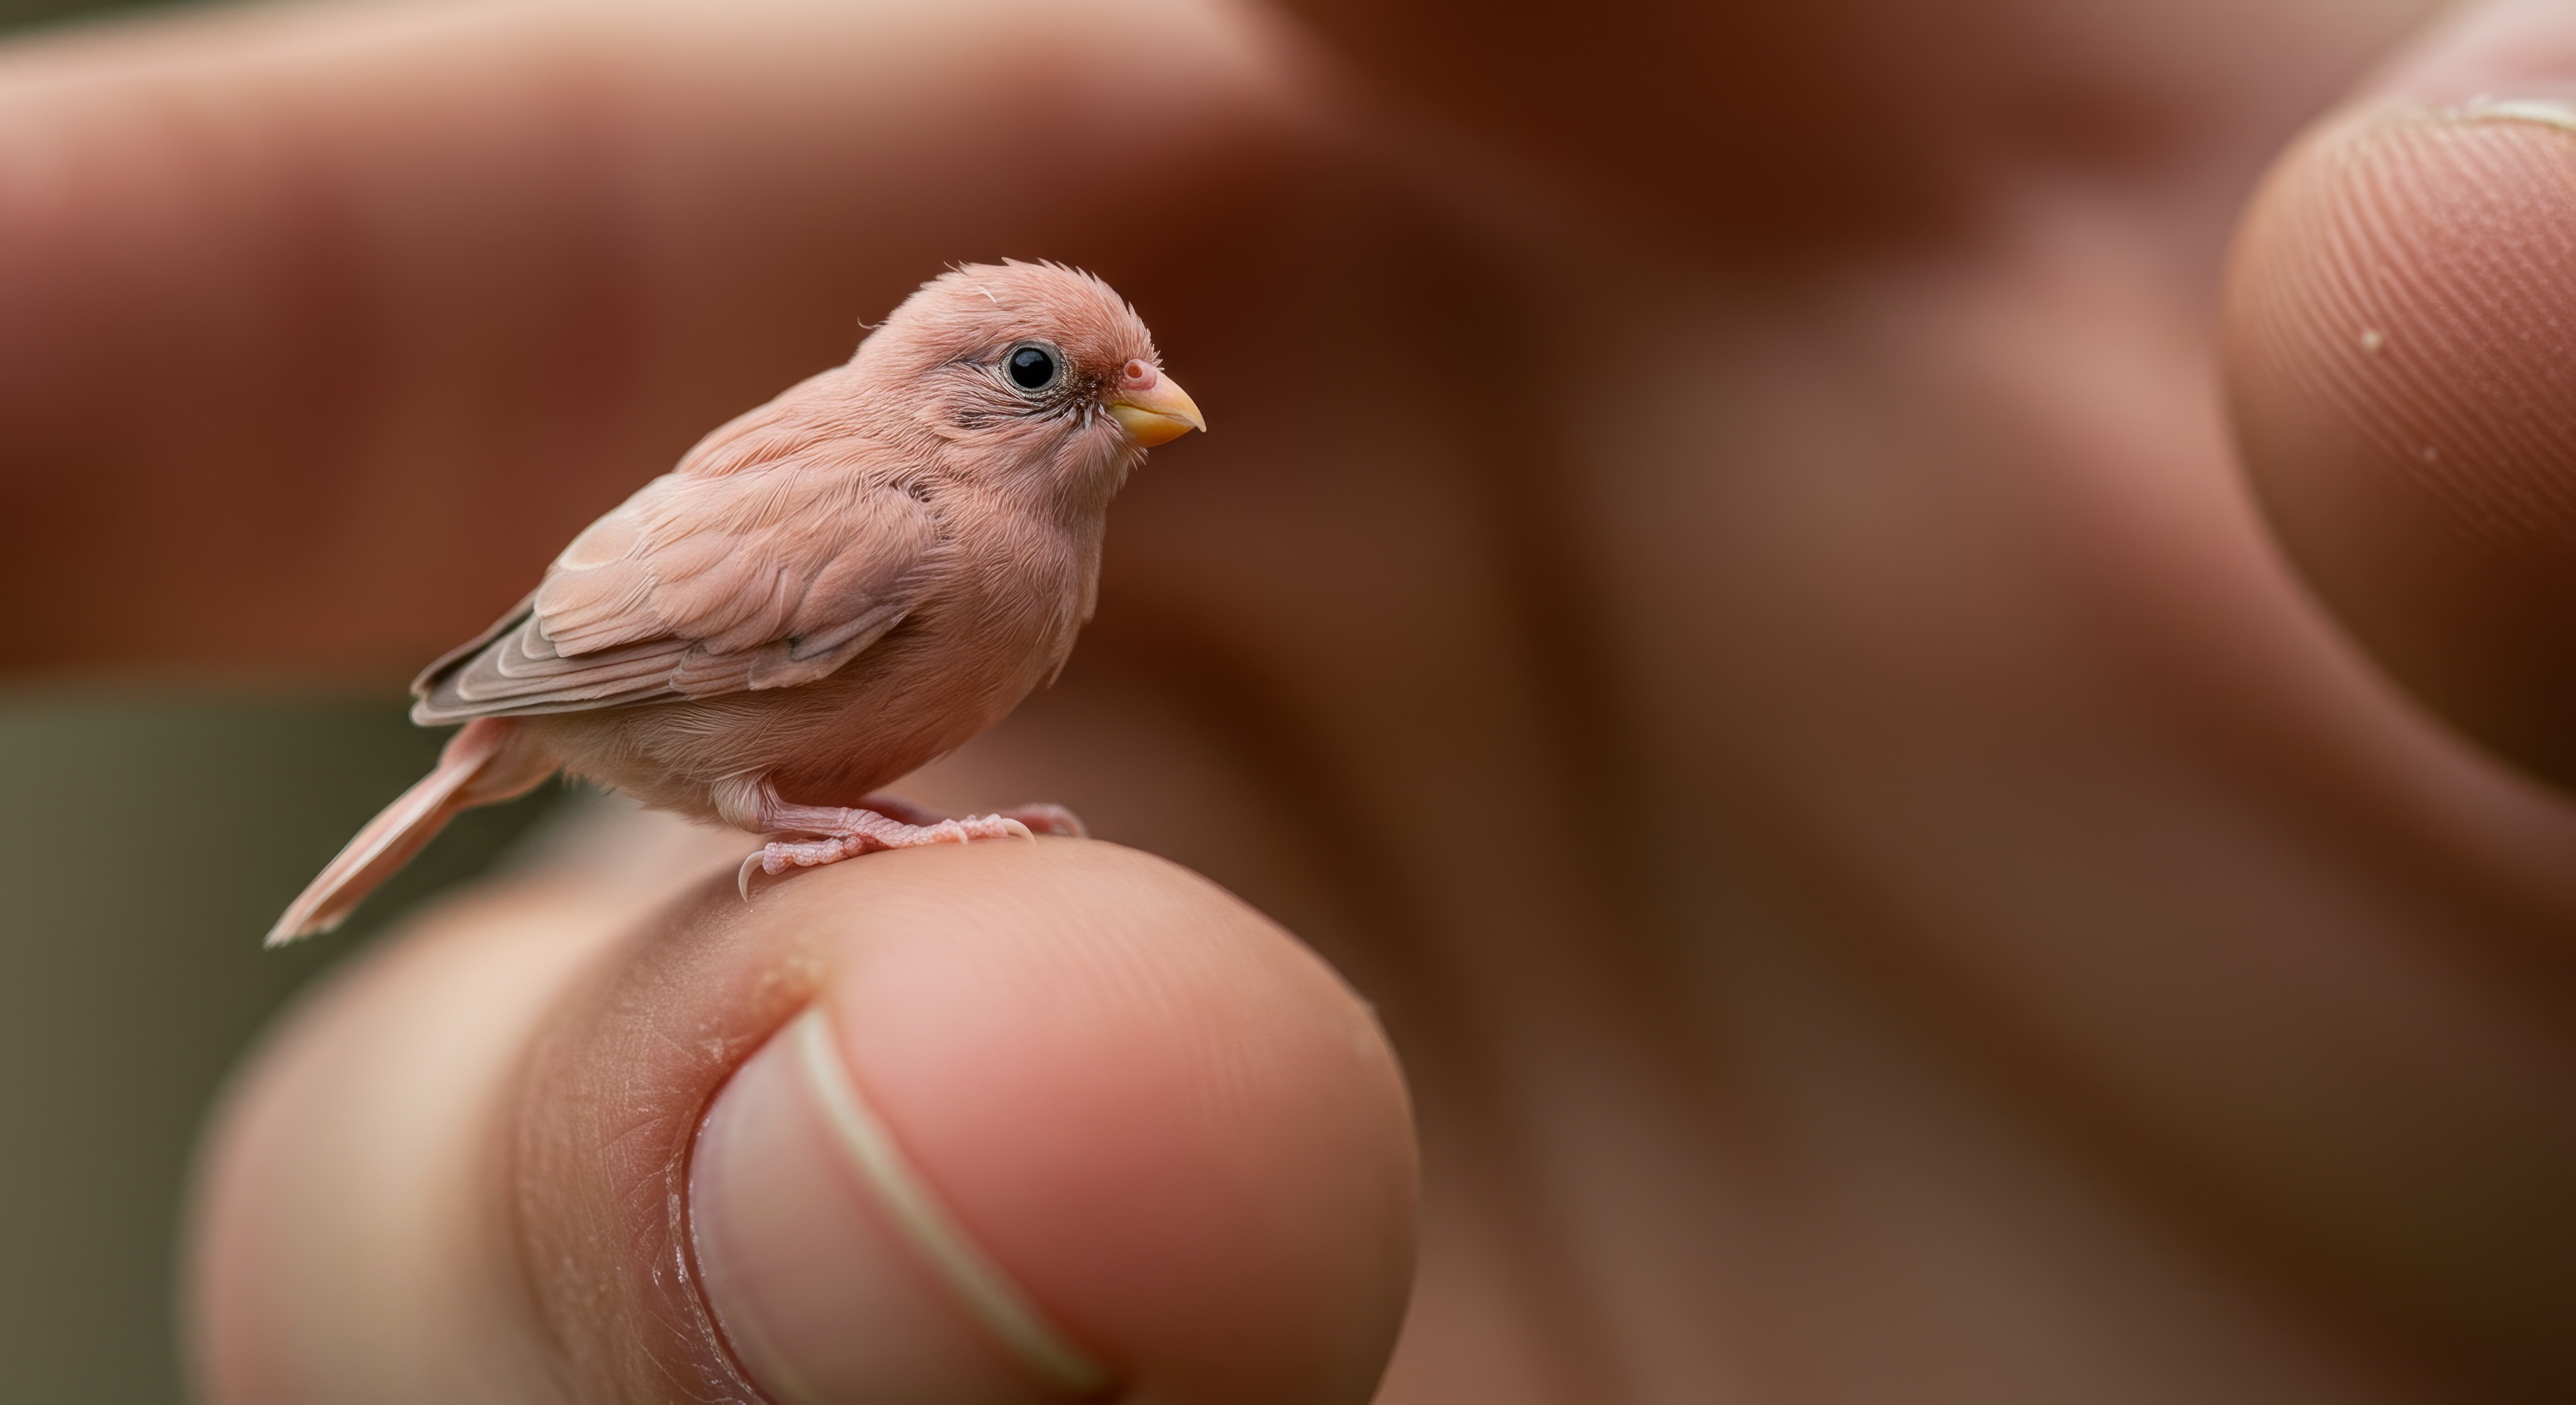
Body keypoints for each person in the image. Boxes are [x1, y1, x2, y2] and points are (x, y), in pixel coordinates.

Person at [4, 0, 2568, 1398]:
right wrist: (759, 806)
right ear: (955, 389)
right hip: (619, 695)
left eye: (1103, 383)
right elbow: (663, 653)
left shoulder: (1013, 554)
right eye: (1056, 376)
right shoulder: (889, 525)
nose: (1114, 410)